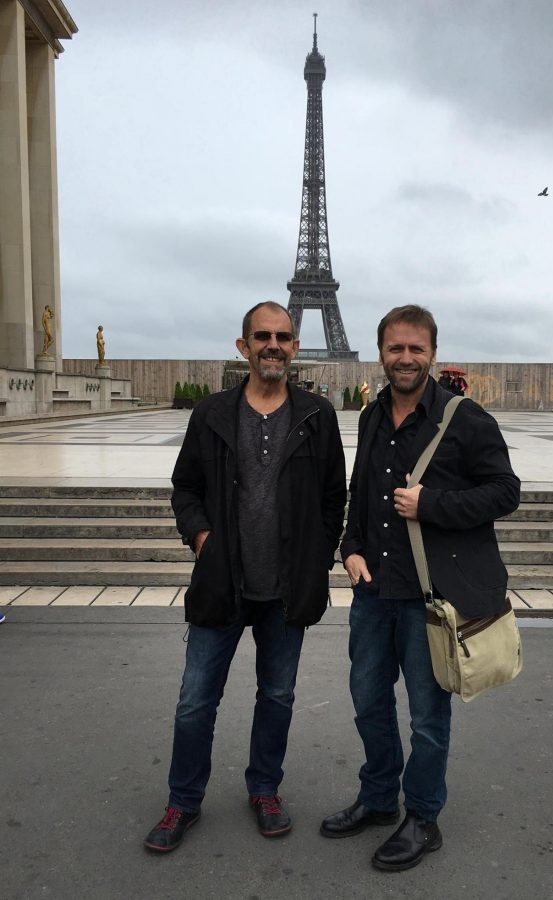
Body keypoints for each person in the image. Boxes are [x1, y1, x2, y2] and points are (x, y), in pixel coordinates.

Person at [320, 305, 520, 872]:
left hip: (432, 598)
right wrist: (349, 547)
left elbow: (506, 492)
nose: (405, 358)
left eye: (416, 349)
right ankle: (380, 797)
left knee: (428, 717)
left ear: (432, 352)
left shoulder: (466, 418)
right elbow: (362, 491)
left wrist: (430, 504)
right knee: (367, 702)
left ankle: (423, 816)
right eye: (395, 348)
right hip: (373, 591)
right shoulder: (371, 415)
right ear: (380, 352)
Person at [144, 302, 346, 853]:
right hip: (221, 582)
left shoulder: (316, 416)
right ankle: (182, 801)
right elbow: (184, 488)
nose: (273, 345)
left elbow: (334, 498)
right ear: (243, 346)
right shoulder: (211, 413)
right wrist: (202, 538)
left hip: (286, 589)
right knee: (194, 701)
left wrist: (317, 555)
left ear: (295, 346)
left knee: (276, 696)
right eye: (262, 336)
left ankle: (264, 789)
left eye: (283, 336)